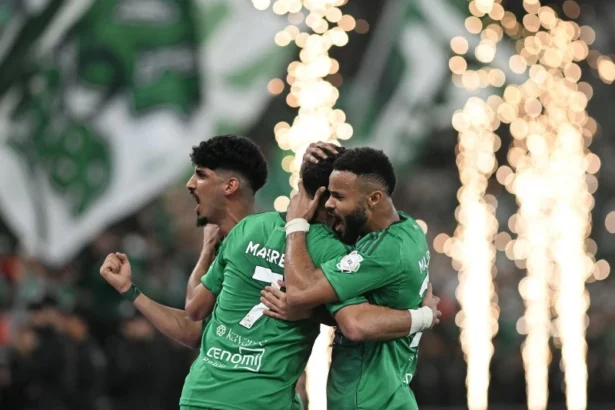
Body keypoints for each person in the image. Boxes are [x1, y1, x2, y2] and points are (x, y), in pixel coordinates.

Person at [281, 146, 434, 410]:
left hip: (369, 402)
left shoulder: (384, 253)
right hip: (388, 396)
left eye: (338, 196)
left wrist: (296, 225)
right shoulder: (407, 228)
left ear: (374, 198)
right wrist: (313, 167)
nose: (329, 204)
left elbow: (300, 294)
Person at [100, 135, 267, 349]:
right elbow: (194, 329)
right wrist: (128, 290)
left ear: (230, 186)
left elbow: (194, 311)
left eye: (201, 175)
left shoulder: (266, 244)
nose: (191, 184)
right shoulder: (222, 245)